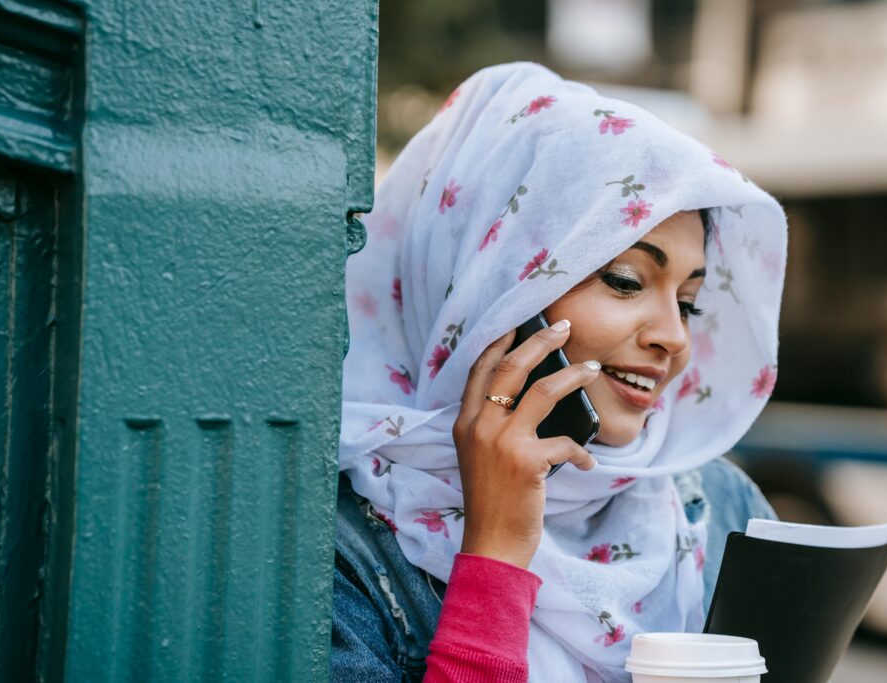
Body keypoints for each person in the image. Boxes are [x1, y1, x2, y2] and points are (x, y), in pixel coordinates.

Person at [331, 62, 786, 682]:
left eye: (688, 302)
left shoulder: (725, 507)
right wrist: (494, 555)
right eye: (626, 282)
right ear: (490, 286)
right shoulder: (338, 549)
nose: (674, 337)